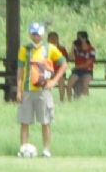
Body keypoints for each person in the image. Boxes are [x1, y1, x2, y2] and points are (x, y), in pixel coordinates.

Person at [16, 22, 68, 158]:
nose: (36, 37)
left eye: (38, 34)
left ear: (42, 35)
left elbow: (63, 64)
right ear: (30, 34)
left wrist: (54, 81)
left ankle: (46, 149)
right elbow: (20, 70)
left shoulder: (50, 48)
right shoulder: (24, 49)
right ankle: (23, 148)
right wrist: (19, 90)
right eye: (33, 34)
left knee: (45, 121)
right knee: (25, 121)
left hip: (43, 90)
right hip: (27, 90)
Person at [68, 30, 95, 99]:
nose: (78, 40)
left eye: (79, 38)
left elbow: (88, 63)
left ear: (84, 39)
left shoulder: (91, 49)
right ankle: (69, 100)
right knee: (69, 84)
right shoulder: (77, 49)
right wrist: (72, 47)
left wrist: (76, 67)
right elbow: (70, 58)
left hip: (87, 70)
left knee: (85, 84)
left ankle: (85, 100)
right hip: (77, 71)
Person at [47, 32, 70, 102]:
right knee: (45, 80)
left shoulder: (62, 49)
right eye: (51, 38)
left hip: (59, 71)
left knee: (61, 80)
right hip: (48, 71)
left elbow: (66, 61)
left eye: (55, 38)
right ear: (48, 39)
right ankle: (47, 100)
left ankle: (62, 100)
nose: (53, 40)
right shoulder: (45, 49)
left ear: (58, 39)